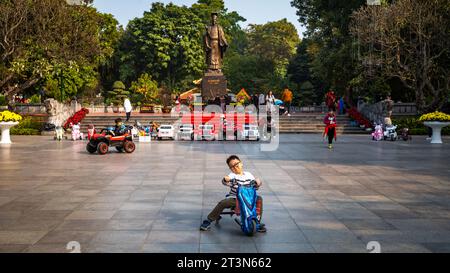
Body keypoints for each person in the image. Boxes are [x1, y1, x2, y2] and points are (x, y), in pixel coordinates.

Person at [200, 155, 267, 232]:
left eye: (236, 164)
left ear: (241, 163)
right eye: (232, 166)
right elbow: (225, 181)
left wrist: (258, 183)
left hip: (249, 197)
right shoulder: (233, 175)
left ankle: (257, 221)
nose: (235, 167)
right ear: (231, 169)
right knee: (223, 203)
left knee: (259, 198)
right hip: (236, 197)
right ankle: (208, 220)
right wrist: (226, 179)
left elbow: (255, 186)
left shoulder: (249, 174)